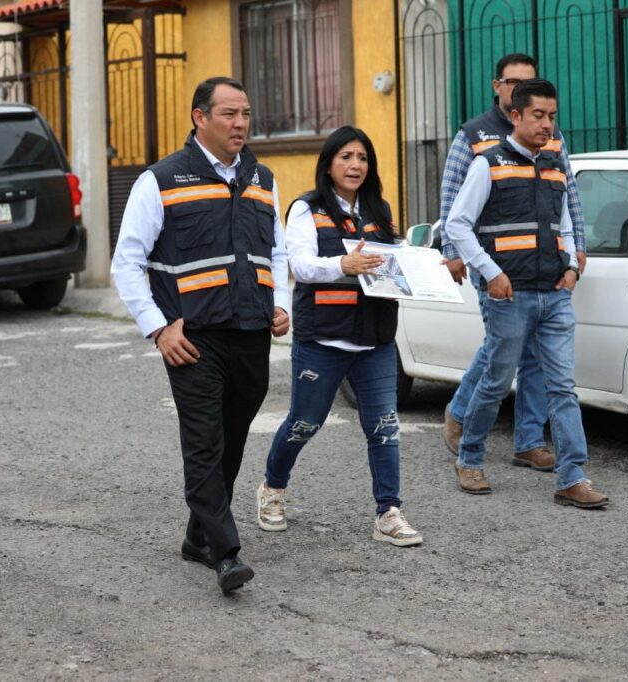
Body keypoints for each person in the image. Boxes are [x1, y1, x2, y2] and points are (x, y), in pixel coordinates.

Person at [111, 77, 291, 594]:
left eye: (246, 115)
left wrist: (278, 303)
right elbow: (127, 263)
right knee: (205, 443)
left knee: (232, 439)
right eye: (230, 114)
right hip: (192, 338)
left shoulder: (262, 177)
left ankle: (197, 536)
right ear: (200, 117)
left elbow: (275, 251)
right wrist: (158, 327)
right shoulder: (162, 179)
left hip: (252, 334)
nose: (240, 124)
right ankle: (225, 552)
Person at [256, 126, 422, 547]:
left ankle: (388, 512)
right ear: (328, 163)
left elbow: (393, 263)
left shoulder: (379, 210)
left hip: (376, 341)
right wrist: (342, 266)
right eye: (346, 156)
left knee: (384, 427)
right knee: (304, 423)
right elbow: (302, 265)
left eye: (363, 158)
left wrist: (422, 270)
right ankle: (273, 490)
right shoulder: (306, 209)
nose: (355, 165)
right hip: (322, 341)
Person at [445, 79, 608, 508]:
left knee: (563, 389)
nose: (547, 124)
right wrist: (491, 272)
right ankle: (470, 457)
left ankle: (573, 478)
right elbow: (457, 223)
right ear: (515, 116)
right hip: (509, 296)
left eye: (552, 116)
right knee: (497, 381)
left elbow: (565, 220)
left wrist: (572, 266)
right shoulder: (489, 162)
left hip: (554, 293)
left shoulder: (554, 162)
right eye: (538, 115)